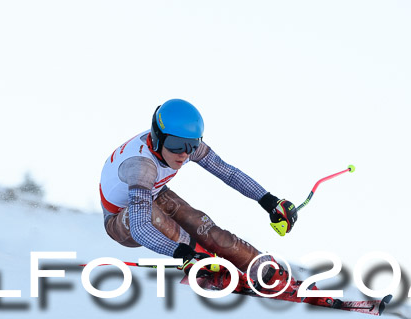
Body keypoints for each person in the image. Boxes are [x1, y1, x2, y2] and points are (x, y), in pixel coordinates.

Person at [99, 98, 297, 287]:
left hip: (154, 194)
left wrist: (269, 200)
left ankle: (267, 272)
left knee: (205, 228)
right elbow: (140, 227)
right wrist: (181, 253)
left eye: (192, 145)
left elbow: (228, 173)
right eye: (176, 145)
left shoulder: (182, 144)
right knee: (156, 218)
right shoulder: (141, 167)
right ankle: (206, 266)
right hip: (120, 220)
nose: (184, 153)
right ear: (158, 138)